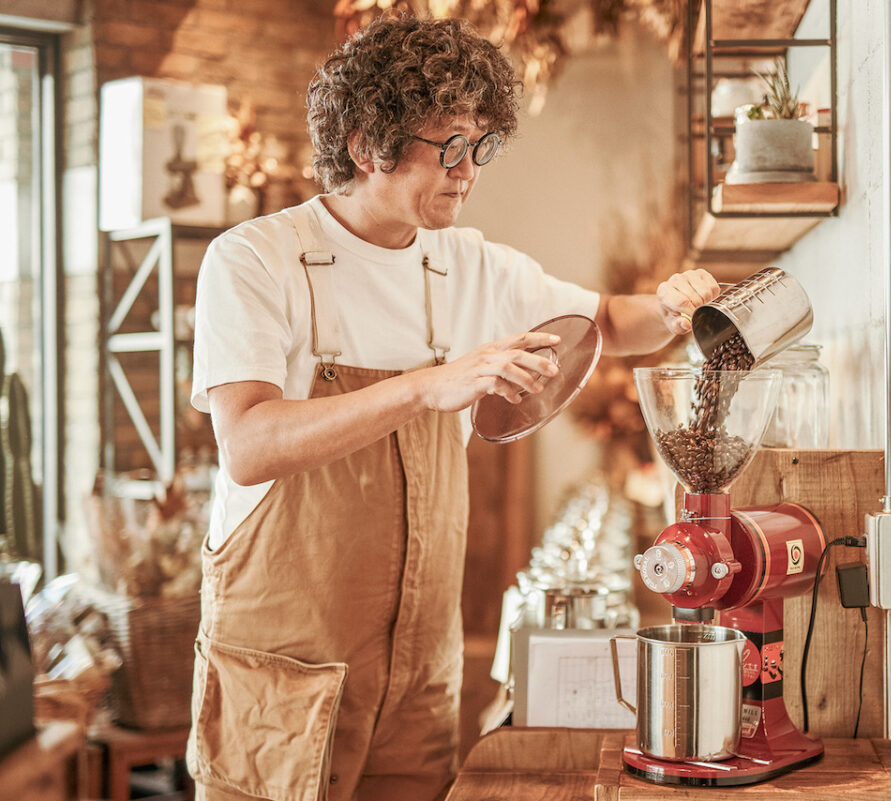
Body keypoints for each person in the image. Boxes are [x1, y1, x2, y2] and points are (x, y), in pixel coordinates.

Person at [185, 12, 719, 801]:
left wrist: (673, 307)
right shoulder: (255, 259)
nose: (469, 171)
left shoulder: (471, 264)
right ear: (367, 143)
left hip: (417, 677)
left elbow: (606, 321)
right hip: (285, 675)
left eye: (482, 146)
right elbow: (250, 443)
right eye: (449, 147)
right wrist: (429, 386)